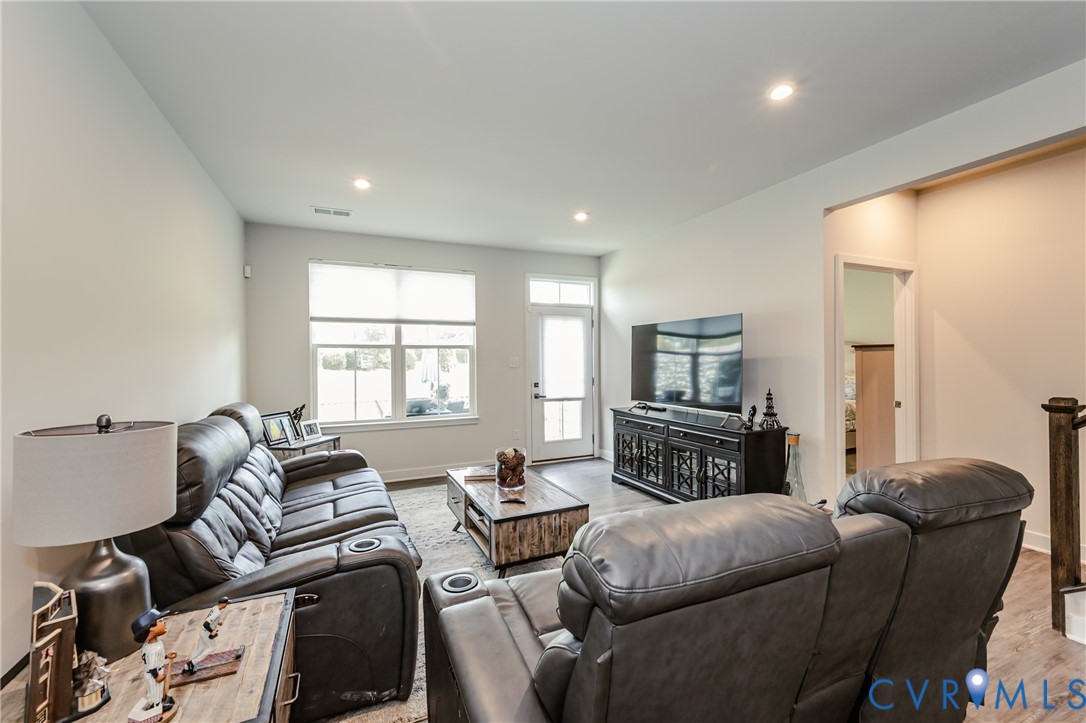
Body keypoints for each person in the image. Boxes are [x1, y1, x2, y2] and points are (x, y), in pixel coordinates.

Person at [131, 608, 176, 714]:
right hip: (153, 673)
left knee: (154, 692)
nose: (164, 622)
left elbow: (155, 659)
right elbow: (152, 666)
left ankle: (155, 703)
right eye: (160, 620)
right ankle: (157, 711)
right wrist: (157, 676)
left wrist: (165, 656)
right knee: (156, 693)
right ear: (151, 628)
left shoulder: (149, 646)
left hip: (152, 672)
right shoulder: (154, 649)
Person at [184, 597, 229, 674]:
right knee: (212, 647)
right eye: (226, 603)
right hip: (206, 632)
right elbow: (206, 624)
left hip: (203, 631)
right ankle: (192, 663)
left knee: (199, 649)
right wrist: (212, 632)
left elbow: (208, 619)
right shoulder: (217, 612)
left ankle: (187, 667)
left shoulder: (214, 607)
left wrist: (217, 623)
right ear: (223, 604)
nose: (227, 605)